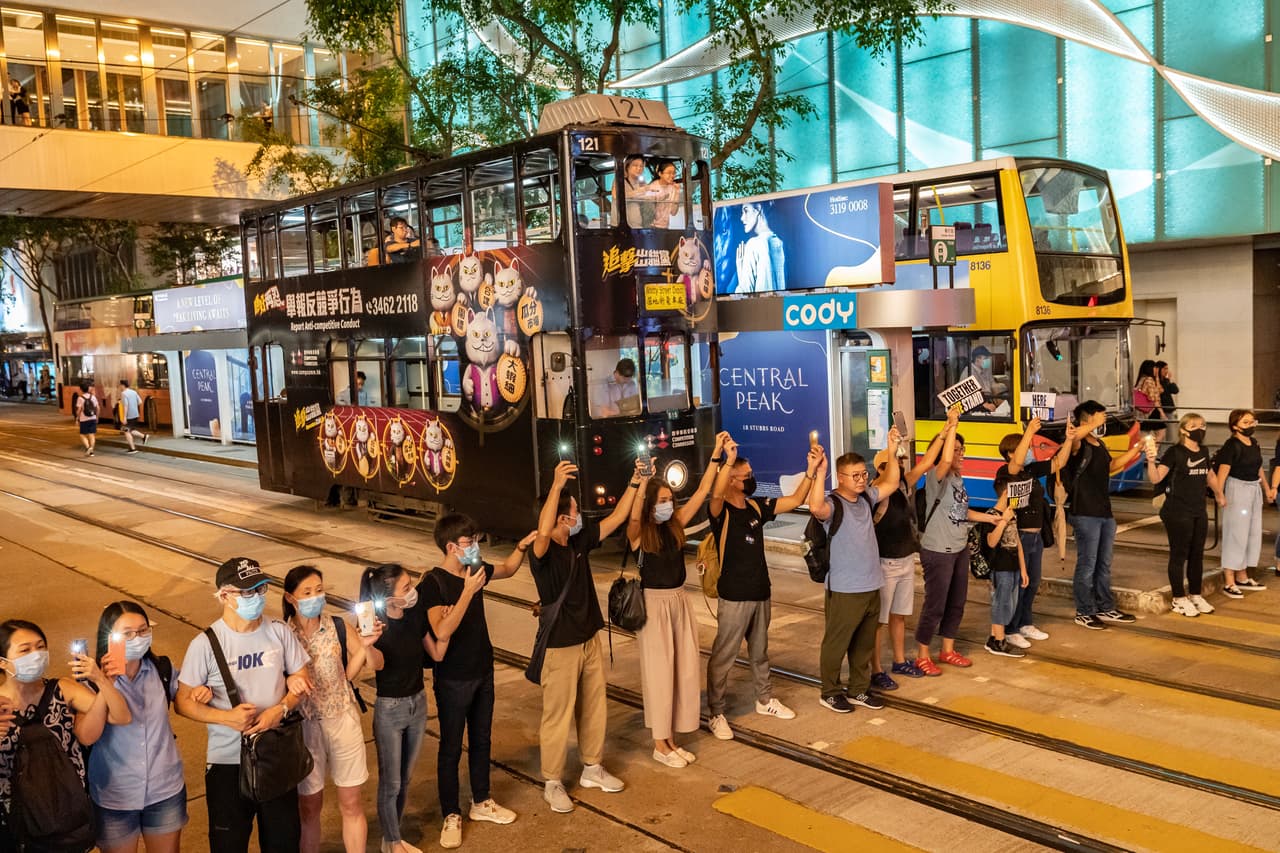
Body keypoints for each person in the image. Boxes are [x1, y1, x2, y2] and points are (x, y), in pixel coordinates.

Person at [175, 557, 311, 853]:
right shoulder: (205, 643)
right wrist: (226, 718)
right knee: (229, 843)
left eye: (261, 589)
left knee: (283, 842)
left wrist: (280, 709)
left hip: (276, 755)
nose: (257, 597)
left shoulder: (279, 631)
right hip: (228, 762)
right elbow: (183, 703)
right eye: (248, 591)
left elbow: (301, 678)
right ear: (225, 595)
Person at [530, 459, 641, 814]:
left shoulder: (578, 542)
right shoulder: (542, 553)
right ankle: (552, 781)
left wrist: (635, 481)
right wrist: (556, 486)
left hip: (589, 637)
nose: (580, 515)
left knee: (594, 708)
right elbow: (543, 532)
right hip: (560, 646)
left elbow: (617, 518)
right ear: (563, 517)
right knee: (557, 716)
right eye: (575, 511)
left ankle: (592, 767)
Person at [421, 516, 535, 848]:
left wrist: (521, 547)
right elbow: (442, 630)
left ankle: (481, 800)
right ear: (451, 547)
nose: (476, 547)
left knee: (482, 739)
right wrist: (468, 592)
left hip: (483, 669)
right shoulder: (433, 583)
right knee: (451, 747)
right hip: (453, 678)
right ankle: (450, 813)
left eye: (475, 540)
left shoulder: (477, 569)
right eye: (469, 542)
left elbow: (508, 569)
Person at [705, 437, 817, 739]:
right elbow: (715, 493)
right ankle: (716, 712)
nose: (751, 479)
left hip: (760, 591)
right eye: (746, 476)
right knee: (724, 655)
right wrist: (728, 460)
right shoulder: (720, 511)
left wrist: (810, 471)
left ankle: (765, 699)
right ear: (731, 480)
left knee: (760, 652)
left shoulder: (756, 505)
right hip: (734, 596)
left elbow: (795, 499)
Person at [626, 433, 728, 764]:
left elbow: (701, 492)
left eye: (669, 499)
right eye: (661, 500)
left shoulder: (676, 525)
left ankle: (671, 739)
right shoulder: (639, 533)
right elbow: (632, 518)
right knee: (660, 674)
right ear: (650, 505)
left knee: (683, 671)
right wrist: (643, 482)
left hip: (679, 600)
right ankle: (660, 745)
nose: (668, 504)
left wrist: (716, 455)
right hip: (654, 605)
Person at [0, 619, 131, 851]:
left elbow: (120, 716)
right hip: (15, 824)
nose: (36, 654)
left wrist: (102, 680)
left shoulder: (63, 689)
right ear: (3, 661)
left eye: (40, 647)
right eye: (25, 650)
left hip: (66, 816)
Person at [807, 427, 904, 713]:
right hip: (845, 588)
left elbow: (892, 483)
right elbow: (815, 507)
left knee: (864, 645)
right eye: (855, 476)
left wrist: (892, 450)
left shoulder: (866, 498)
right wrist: (819, 473)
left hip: (872, 584)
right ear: (841, 477)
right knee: (836, 643)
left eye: (863, 474)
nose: (862, 479)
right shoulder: (834, 504)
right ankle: (830, 691)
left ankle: (859, 689)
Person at [282, 566, 375, 853]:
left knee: (351, 802)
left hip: (343, 719)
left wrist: (366, 646)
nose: (315, 597)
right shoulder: (282, 634)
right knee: (309, 807)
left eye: (319, 590)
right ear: (291, 598)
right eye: (307, 592)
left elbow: (349, 673)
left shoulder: (337, 625)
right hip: (305, 727)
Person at [89, 602, 193, 853]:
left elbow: (187, 697)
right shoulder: (89, 681)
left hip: (164, 789)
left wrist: (202, 692)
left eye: (143, 630)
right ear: (108, 637)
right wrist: (104, 681)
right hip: (114, 795)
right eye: (127, 633)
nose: (137, 638)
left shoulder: (161, 669)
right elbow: (87, 735)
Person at [360, 562, 447, 853]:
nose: (413, 592)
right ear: (389, 597)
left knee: (405, 779)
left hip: (418, 703)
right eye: (406, 588)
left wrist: (448, 625)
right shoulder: (377, 625)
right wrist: (368, 645)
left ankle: (391, 839)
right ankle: (394, 843)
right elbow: (377, 665)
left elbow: (436, 653)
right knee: (391, 782)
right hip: (390, 709)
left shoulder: (414, 615)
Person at [867, 428, 949, 689]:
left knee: (899, 615)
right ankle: (876, 669)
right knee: (879, 621)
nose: (900, 466)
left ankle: (900, 661)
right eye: (894, 462)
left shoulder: (903, 485)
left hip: (904, 560)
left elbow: (926, 463)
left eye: (901, 462)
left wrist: (944, 433)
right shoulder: (876, 491)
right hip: (884, 563)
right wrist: (892, 450)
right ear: (880, 468)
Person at [915, 408, 991, 674]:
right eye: (955, 450)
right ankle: (923, 654)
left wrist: (989, 518)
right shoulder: (936, 477)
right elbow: (945, 460)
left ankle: (947, 649)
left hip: (959, 548)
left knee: (957, 602)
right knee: (935, 604)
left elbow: (961, 512)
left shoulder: (958, 480)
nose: (960, 454)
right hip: (938, 550)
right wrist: (952, 425)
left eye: (961, 450)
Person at [996, 417, 1074, 647]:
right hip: (1018, 537)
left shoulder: (1031, 470)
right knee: (1019, 583)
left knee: (1032, 582)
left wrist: (1069, 440)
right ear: (1010, 453)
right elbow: (1015, 465)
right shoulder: (1006, 472)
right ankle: (1011, 628)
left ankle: (1025, 622)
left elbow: (1058, 462)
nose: (1029, 451)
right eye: (1024, 447)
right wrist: (1029, 431)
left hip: (1036, 536)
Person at [1062, 401, 1141, 629]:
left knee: (1103, 564)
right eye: (1101, 415)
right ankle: (1084, 611)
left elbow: (1111, 466)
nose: (1104, 419)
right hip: (1084, 512)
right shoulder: (1077, 443)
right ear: (1089, 418)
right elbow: (1074, 438)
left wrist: (1136, 450)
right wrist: (1089, 423)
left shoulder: (1099, 443)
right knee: (1087, 564)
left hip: (1104, 511)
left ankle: (1105, 607)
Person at [1147, 414, 1219, 616]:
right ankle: (1179, 598)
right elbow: (1156, 478)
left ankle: (1195, 595)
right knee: (1179, 555)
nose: (1200, 429)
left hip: (1198, 510)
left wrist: (1220, 494)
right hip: (1177, 511)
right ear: (1183, 430)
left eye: (1202, 425)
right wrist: (1151, 461)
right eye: (1194, 425)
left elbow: (1210, 475)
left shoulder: (1203, 451)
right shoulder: (1175, 452)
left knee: (1197, 554)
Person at [1212, 409, 1272, 597]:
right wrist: (1219, 494)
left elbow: (1259, 468)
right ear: (1235, 426)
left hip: (1253, 489)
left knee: (1252, 533)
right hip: (1237, 489)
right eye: (1246, 422)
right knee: (1235, 534)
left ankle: (1242, 576)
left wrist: (1266, 488)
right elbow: (1223, 472)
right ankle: (1229, 580)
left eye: (1252, 422)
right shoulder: (1231, 445)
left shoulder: (1254, 442)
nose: (1250, 425)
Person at [981, 476, 1029, 657]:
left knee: (1010, 603)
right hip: (1000, 567)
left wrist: (1023, 568)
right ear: (1006, 493)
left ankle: (994, 637)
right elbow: (991, 542)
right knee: (1001, 603)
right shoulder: (990, 515)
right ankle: (999, 641)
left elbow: (1017, 541)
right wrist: (1003, 520)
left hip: (1013, 565)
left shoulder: (1013, 514)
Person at [734, 200, 786, 294]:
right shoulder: (781, 243)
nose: (742, 218)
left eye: (746, 211)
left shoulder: (753, 244)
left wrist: (740, 269)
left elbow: (744, 295)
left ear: (758, 208)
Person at [637, 161, 683, 228]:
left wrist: (677, 192)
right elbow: (647, 211)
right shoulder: (652, 187)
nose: (672, 176)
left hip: (665, 227)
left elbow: (673, 212)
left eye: (674, 173)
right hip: (651, 226)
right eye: (669, 173)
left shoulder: (673, 188)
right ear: (660, 173)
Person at [964, 346, 1008, 415]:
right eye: (986, 358)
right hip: (977, 405)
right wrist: (985, 404)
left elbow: (993, 386)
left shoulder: (986, 370)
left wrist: (999, 398)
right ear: (977, 359)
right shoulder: (968, 372)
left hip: (989, 399)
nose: (988, 360)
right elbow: (968, 396)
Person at [1133, 360, 1166, 441]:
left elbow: (1161, 390)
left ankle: (1152, 447)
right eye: (1155, 367)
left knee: (1146, 434)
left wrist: (1157, 378)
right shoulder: (1149, 380)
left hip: (1143, 411)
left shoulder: (1142, 378)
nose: (1156, 370)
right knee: (1161, 433)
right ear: (1150, 368)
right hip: (1152, 411)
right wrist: (1162, 413)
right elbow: (1154, 398)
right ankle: (1153, 448)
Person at [118, 379, 149, 454]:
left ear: (123, 385)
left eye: (120, 385)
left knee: (126, 431)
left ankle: (133, 448)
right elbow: (140, 402)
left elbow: (126, 406)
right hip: (135, 414)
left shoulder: (124, 394)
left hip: (129, 415)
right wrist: (133, 406)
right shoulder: (134, 392)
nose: (119, 387)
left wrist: (124, 417)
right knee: (131, 430)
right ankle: (143, 436)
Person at [623, 156, 649, 228]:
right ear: (627, 167)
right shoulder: (621, 180)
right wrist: (637, 192)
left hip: (639, 224)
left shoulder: (642, 181)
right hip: (624, 226)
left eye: (641, 166)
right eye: (635, 165)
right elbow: (616, 195)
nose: (639, 168)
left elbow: (648, 195)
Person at [76, 380, 99, 456]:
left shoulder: (80, 398)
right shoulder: (93, 397)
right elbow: (98, 408)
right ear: (88, 388)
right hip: (93, 418)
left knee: (82, 434)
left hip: (84, 419)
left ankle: (88, 447)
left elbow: (79, 410)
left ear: (81, 389)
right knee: (91, 435)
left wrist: (77, 419)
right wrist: (97, 417)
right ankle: (91, 451)